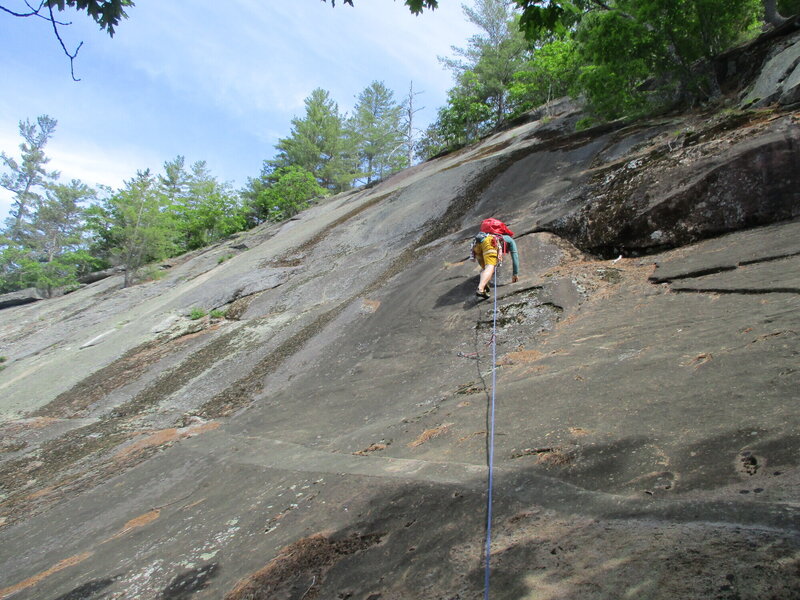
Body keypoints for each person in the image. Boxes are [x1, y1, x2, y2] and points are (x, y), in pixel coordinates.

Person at [471, 218, 519, 299]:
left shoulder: (485, 234)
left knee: (485, 269)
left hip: (476, 243)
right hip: (490, 242)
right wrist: (515, 274)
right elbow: (515, 257)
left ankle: (485, 289)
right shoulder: (508, 239)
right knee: (490, 266)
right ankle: (480, 289)